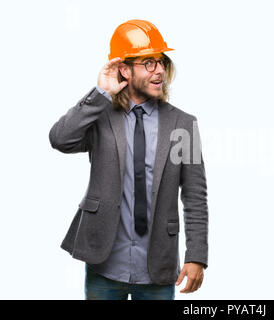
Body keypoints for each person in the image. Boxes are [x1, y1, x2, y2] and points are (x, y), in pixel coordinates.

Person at [49, 19, 209, 300]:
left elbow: (195, 195)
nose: (160, 70)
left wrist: (196, 256)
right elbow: (60, 139)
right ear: (124, 69)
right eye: (148, 62)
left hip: (158, 267)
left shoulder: (183, 124)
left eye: (161, 62)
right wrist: (100, 93)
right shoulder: (100, 117)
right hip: (105, 264)